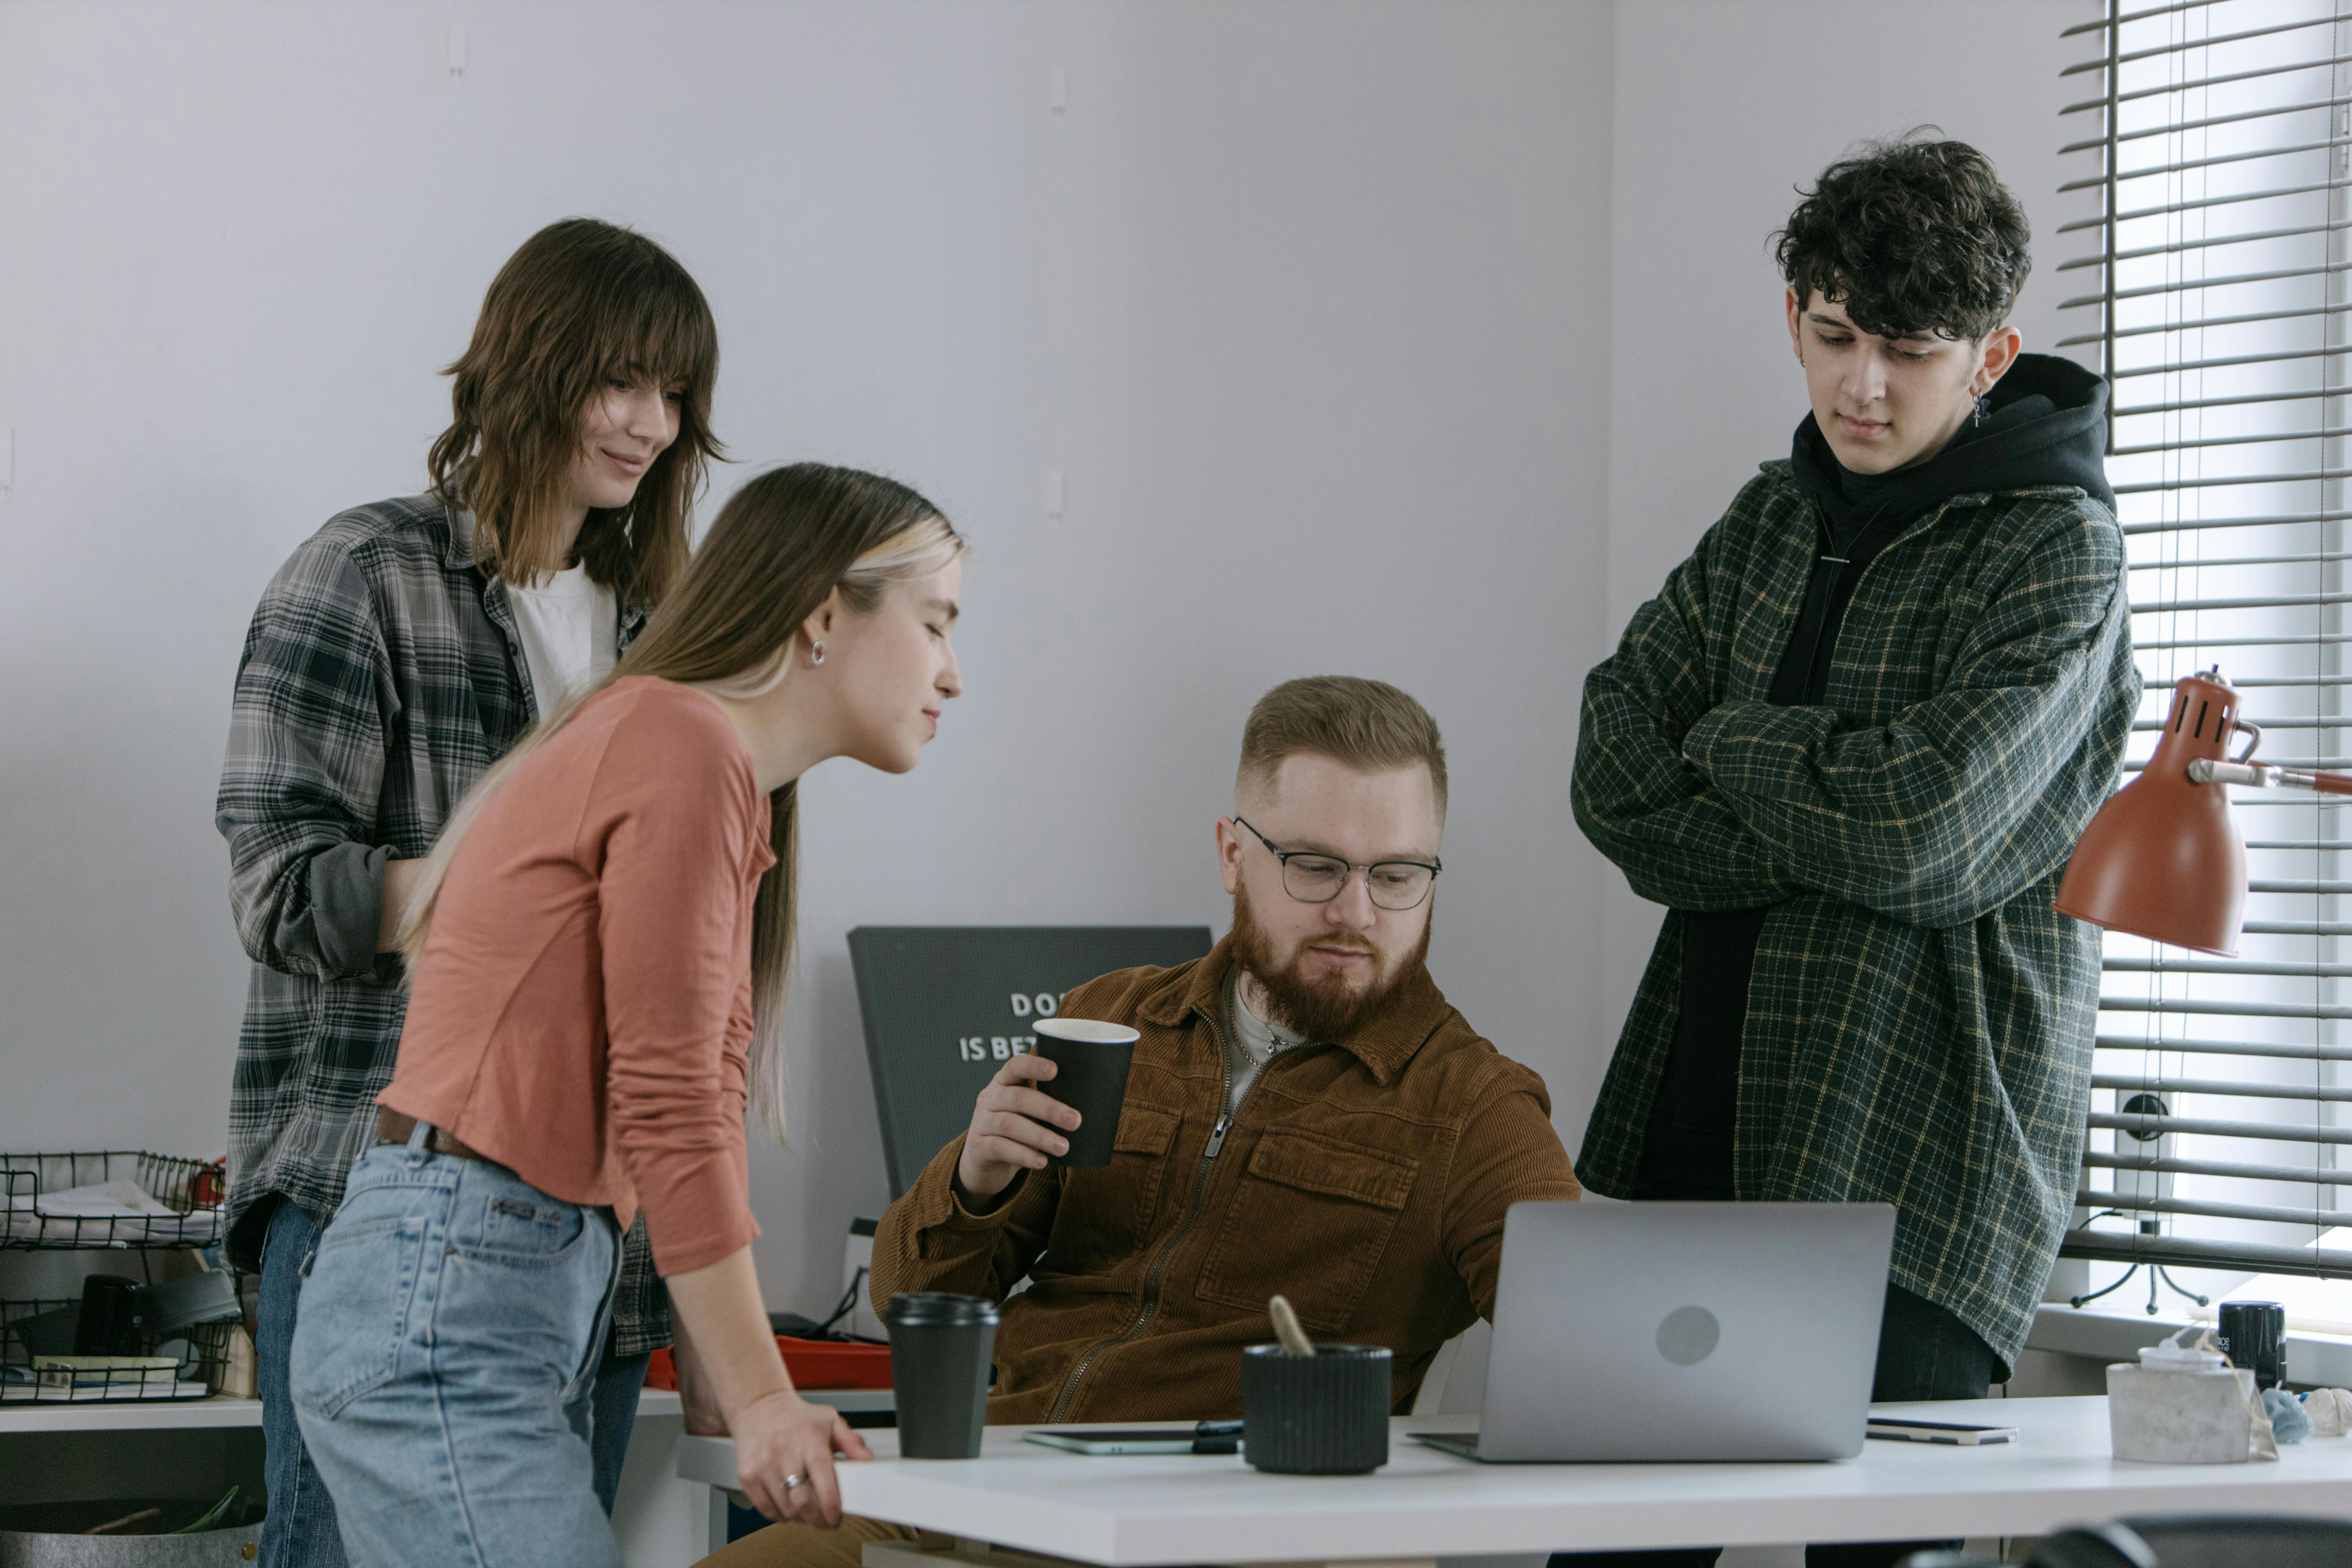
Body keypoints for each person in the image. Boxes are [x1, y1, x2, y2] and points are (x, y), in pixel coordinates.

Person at [1567, 138, 2136, 1568]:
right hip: (1694, 1129)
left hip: (1923, 1166)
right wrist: (1837, 811)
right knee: (1603, 1555)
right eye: (1833, 336)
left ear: (1994, 354)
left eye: (1909, 350)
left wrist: (1738, 740)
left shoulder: (2058, 553)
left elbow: (1926, 828)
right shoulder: (1769, 517)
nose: (1860, 386)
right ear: (1794, 318)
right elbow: (1613, 769)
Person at [711, 674, 1583, 1568]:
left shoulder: (1476, 1108)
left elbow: (1590, 1352)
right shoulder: (1114, 1016)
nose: (1356, 913)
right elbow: (911, 1303)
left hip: (1207, 1539)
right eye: (1315, 866)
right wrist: (975, 1179)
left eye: (1397, 875)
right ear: (1232, 854)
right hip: (979, 1495)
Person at [287, 463, 967, 1566]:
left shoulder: (710, 767)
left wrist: (725, 1363)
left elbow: (706, 1084)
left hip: (470, 1288)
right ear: (826, 616)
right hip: (450, 1303)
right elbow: (668, 1100)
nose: (952, 674)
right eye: (937, 624)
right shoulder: (682, 745)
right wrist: (758, 1398)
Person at [215, 217, 721, 1567]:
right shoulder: (367, 574)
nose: (651, 424)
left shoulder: (665, 632)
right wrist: (491, 879)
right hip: (375, 1200)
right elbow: (279, 888)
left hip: (597, 1245)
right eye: (622, 380)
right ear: (531, 367)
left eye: (676, 394)